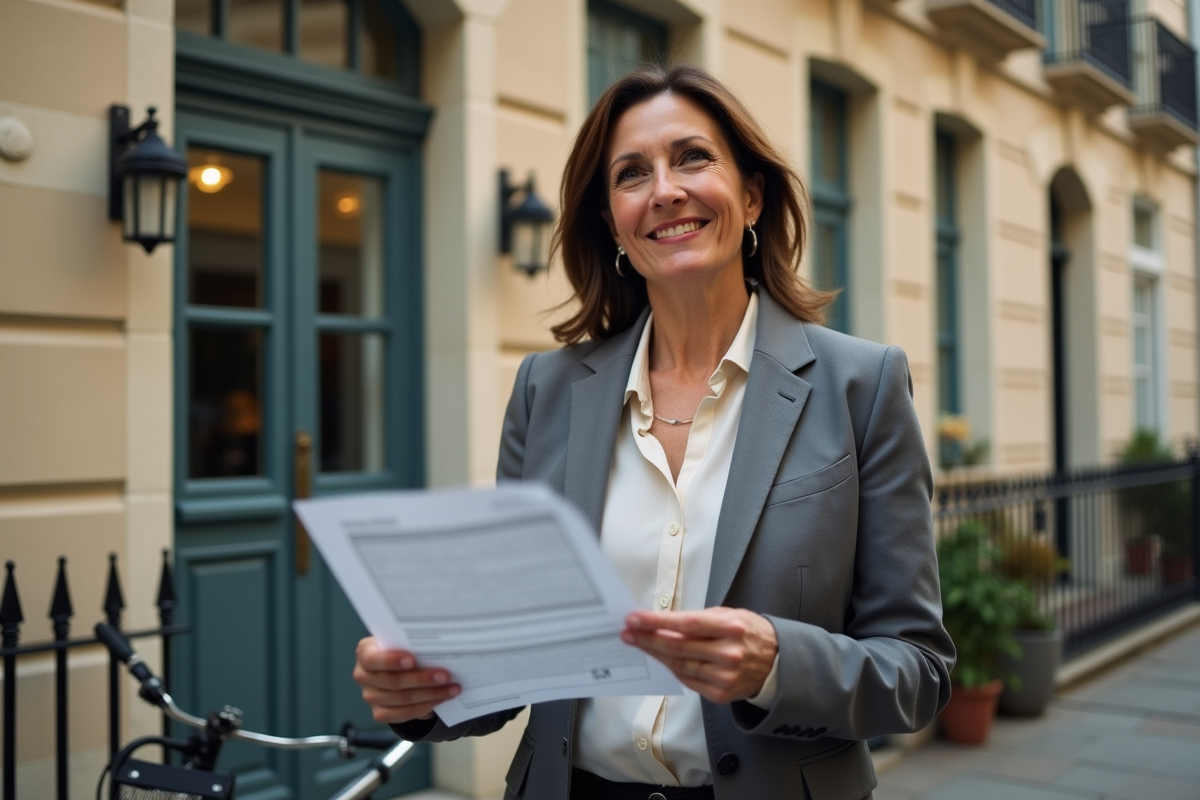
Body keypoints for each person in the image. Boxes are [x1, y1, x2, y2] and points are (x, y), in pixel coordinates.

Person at [353, 63, 955, 800]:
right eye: (631, 173)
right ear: (612, 221)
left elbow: (918, 671)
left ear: (753, 194)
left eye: (693, 158)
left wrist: (777, 663)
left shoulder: (861, 386)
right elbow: (518, 662)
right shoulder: (547, 391)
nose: (665, 190)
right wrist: (426, 692)